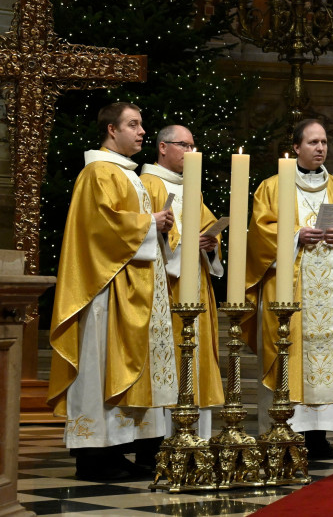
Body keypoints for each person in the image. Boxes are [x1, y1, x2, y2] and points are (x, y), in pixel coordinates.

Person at [48, 102, 176, 482]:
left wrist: (158, 226)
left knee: (127, 368)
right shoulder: (98, 173)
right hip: (105, 289)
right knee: (100, 364)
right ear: (110, 130)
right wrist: (149, 222)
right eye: (132, 124)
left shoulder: (127, 173)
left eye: (141, 124)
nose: (141, 132)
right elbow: (98, 228)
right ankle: (94, 457)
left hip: (133, 284)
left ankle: (118, 452)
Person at [245, 119, 333, 460]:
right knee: (289, 355)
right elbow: (258, 233)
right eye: (313, 142)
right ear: (296, 147)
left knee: (326, 361)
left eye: (324, 142)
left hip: (330, 292)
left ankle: (317, 438)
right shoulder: (272, 187)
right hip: (289, 292)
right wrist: (295, 235)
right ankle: (283, 435)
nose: (320, 148)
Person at [139, 124, 224, 439]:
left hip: (197, 286)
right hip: (165, 290)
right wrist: (186, 243)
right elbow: (150, 238)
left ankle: (193, 435)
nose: (191, 152)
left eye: (193, 146)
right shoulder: (147, 183)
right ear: (163, 148)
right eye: (183, 145)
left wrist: (211, 245)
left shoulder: (192, 189)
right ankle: (160, 438)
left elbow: (207, 230)